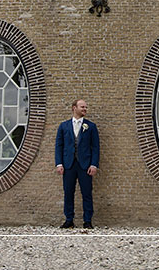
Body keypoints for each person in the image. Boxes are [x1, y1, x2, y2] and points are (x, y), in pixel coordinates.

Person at [55, 98, 100, 229]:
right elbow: (59, 146)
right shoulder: (63, 126)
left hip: (85, 165)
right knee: (68, 192)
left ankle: (87, 220)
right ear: (74, 108)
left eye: (86, 107)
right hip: (68, 165)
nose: (85, 109)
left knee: (87, 193)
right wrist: (59, 163)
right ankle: (69, 219)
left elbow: (95, 147)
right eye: (82, 107)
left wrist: (94, 164)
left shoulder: (91, 126)